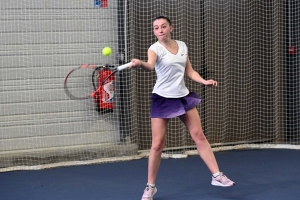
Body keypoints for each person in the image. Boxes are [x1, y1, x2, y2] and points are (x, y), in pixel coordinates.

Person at [130, 15, 235, 200]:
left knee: (199, 136)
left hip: (182, 96)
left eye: (163, 26)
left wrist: (204, 81)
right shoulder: (154, 49)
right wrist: (140, 64)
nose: (160, 30)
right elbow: (150, 66)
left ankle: (217, 175)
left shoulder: (182, 46)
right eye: (156, 28)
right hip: (162, 98)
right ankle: (150, 187)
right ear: (154, 31)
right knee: (157, 145)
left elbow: (189, 71)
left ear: (171, 28)